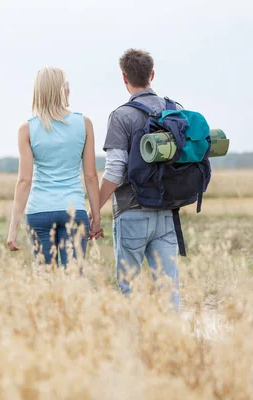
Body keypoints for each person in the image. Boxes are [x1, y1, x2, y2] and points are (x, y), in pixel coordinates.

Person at [96, 48, 180, 312]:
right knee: (168, 290)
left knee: (130, 288)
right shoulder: (175, 109)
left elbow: (114, 171)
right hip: (167, 211)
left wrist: (94, 209)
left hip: (131, 211)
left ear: (124, 78)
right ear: (152, 74)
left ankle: (134, 346)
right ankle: (173, 347)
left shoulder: (121, 116)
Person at [6, 67, 102, 267]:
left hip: (39, 212)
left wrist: (13, 227)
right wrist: (96, 217)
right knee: (73, 281)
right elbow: (91, 176)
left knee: (46, 281)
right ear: (62, 90)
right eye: (67, 85)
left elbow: (24, 181)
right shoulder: (84, 124)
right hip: (73, 210)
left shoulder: (27, 129)